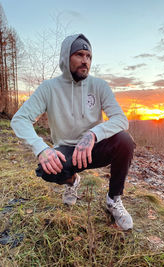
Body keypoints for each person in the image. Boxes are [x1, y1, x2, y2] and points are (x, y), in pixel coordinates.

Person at [11, 33, 135, 230]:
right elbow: (19, 120)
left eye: (89, 56)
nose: (85, 61)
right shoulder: (49, 88)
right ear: (65, 57)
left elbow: (121, 119)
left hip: (94, 147)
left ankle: (113, 199)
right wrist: (41, 149)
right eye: (79, 54)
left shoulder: (99, 86)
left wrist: (93, 134)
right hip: (67, 149)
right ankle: (72, 181)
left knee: (125, 141)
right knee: (45, 170)